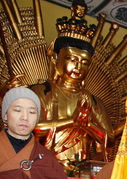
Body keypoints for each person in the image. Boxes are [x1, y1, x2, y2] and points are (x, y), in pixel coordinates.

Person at [30, 0, 114, 165]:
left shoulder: (92, 100)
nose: (78, 66)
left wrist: (88, 124)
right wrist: (72, 121)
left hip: (82, 168)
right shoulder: (41, 91)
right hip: (45, 166)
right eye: (72, 59)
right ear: (56, 59)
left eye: (85, 62)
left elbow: (109, 138)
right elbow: (34, 127)